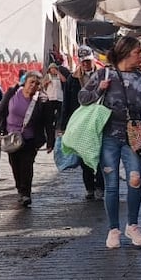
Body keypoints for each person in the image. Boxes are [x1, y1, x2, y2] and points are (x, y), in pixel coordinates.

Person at [79, 35, 141, 249]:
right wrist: (100, 89)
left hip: (134, 138)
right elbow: (83, 98)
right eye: (137, 52)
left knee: (135, 179)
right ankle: (113, 229)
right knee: (111, 185)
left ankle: (132, 225)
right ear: (124, 53)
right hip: (108, 137)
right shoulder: (104, 74)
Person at [0, 70, 56, 207]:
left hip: (30, 139)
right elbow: (1, 112)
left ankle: (26, 193)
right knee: (15, 165)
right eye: (31, 82)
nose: (33, 85)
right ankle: (20, 188)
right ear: (25, 82)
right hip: (11, 137)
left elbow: (48, 122)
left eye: (37, 83)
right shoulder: (12, 93)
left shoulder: (42, 100)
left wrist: (51, 141)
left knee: (27, 166)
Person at [58, 46, 104, 200]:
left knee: (99, 155)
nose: (86, 64)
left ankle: (100, 186)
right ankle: (90, 188)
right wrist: (63, 125)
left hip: (98, 120)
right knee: (84, 156)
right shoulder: (73, 78)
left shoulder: (102, 75)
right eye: (83, 61)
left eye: (88, 61)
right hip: (80, 121)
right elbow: (67, 102)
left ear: (92, 59)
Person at [43, 63, 65, 127]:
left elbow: (64, 80)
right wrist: (47, 82)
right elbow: (42, 84)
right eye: (52, 69)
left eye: (54, 68)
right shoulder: (48, 76)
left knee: (59, 113)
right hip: (50, 97)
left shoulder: (58, 76)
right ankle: (50, 125)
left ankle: (58, 125)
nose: (53, 70)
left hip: (59, 97)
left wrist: (59, 73)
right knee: (50, 113)